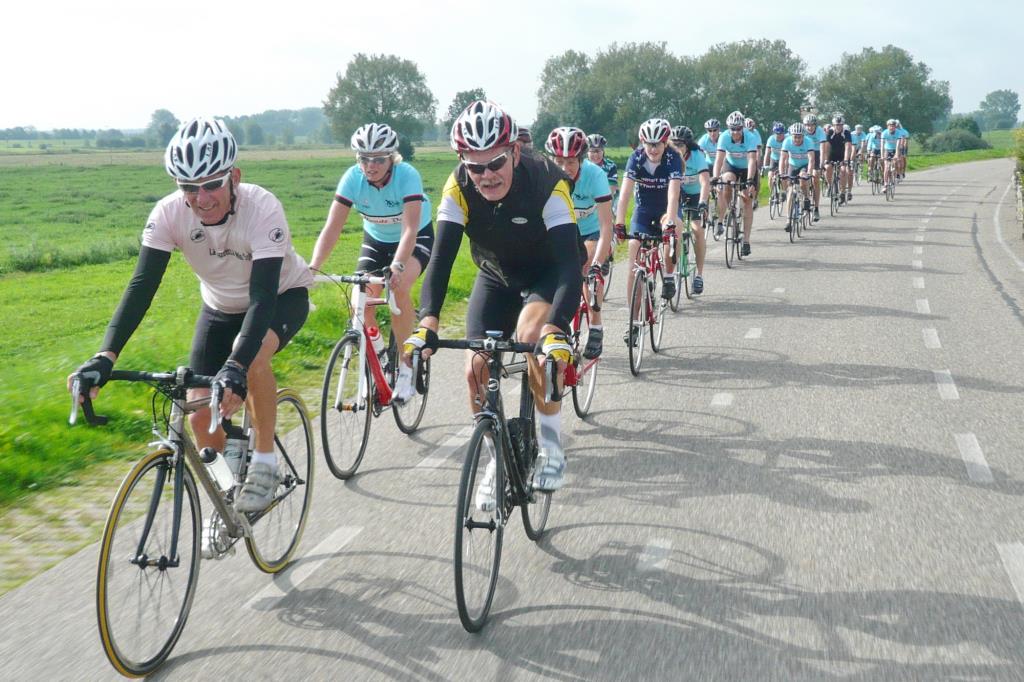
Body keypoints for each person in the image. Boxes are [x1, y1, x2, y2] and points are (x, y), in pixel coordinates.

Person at [67, 117, 313, 512]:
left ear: (235, 176)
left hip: (280, 297)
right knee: (198, 415)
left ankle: (265, 462)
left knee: (251, 360)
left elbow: (262, 294)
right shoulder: (168, 215)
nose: (201, 199)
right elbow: (141, 288)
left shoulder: (262, 207)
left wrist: (235, 364)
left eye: (212, 184)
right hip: (218, 307)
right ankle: (229, 481)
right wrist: (105, 356)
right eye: (188, 188)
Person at [403, 100, 580, 503]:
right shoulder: (458, 187)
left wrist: (556, 329)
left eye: (496, 163)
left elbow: (571, 264)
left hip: (546, 272)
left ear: (515, 151)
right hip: (495, 274)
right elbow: (441, 259)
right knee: (475, 368)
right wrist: (428, 320)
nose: (486, 175)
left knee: (533, 334)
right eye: (475, 166)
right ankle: (493, 460)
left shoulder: (547, 182)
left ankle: (551, 447)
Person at [309, 122, 433, 391]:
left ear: (391, 158)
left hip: (414, 238)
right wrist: (313, 268)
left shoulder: (407, 176)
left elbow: (410, 229)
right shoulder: (352, 179)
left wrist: (398, 266)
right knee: (360, 303)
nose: (370, 165)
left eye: (378, 159)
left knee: (398, 289)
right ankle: (378, 353)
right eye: (364, 159)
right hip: (376, 240)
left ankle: (406, 365)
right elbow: (332, 229)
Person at [546, 126, 613, 358]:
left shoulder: (596, 176)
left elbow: (606, 224)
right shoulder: (545, 175)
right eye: (559, 162)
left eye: (571, 163)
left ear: (581, 161)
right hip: (560, 232)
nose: (564, 169)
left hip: (590, 232)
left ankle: (595, 326)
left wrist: (596, 263)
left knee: (586, 270)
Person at [614, 117, 682, 333]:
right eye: (648, 144)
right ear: (642, 143)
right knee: (633, 263)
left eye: (657, 144)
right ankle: (633, 322)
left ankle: (669, 275)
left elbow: (673, 194)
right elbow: (624, 194)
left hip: (666, 209)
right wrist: (619, 223)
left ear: (665, 143)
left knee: (675, 228)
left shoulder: (674, 157)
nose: (653, 149)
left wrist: (670, 221)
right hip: (643, 212)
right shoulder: (636, 158)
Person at [712, 110, 759, 255]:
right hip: (731, 165)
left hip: (747, 169)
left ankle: (746, 241)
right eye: (733, 129)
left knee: (747, 201)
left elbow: (752, 160)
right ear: (728, 128)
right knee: (726, 182)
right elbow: (719, 159)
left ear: (743, 127)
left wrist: (750, 180)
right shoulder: (724, 137)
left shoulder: (750, 137)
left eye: (739, 129)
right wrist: (715, 177)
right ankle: (723, 216)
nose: (736, 132)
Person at [670, 125, 710, 294]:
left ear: (687, 145)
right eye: (674, 144)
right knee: (672, 228)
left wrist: (702, 202)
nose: (677, 148)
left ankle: (699, 276)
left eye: (681, 144)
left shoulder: (697, 156)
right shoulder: (669, 157)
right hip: (677, 195)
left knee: (697, 230)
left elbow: (705, 182)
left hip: (695, 196)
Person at [779, 122, 818, 232]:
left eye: (799, 137)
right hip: (793, 165)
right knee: (790, 191)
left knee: (802, 179)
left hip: (804, 166)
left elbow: (811, 160)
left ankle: (806, 198)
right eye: (795, 137)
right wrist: (782, 173)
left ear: (803, 136)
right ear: (791, 136)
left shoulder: (808, 142)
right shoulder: (787, 142)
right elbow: (783, 159)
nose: (797, 139)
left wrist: (809, 173)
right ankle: (788, 220)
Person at [802, 113, 827, 222]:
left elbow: (822, 148)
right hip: (804, 153)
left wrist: (821, 163)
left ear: (815, 125)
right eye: (807, 125)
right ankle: (804, 198)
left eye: (812, 125)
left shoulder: (820, 131)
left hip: (816, 153)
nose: (809, 127)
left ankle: (816, 208)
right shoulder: (802, 131)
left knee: (815, 177)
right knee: (802, 177)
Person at [824, 114, 854, 204]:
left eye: (840, 125)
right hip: (832, 154)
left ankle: (842, 192)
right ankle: (829, 185)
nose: (838, 127)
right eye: (836, 125)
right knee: (828, 168)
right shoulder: (830, 132)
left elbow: (848, 146)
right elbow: (827, 146)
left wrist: (845, 160)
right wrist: (826, 159)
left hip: (842, 155)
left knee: (843, 170)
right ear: (833, 125)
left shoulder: (846, 133)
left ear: (843, 125)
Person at [586, 133, 619, 210]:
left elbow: (612, 188)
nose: (596, 155)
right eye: (592, 151)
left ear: (603, 151)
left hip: (608, 197)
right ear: (587, 152)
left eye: (598, 151)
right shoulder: (582, 166)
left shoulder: (610, 165)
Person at [762, 122, 787, 203]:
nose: (778, 135)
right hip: (774, 159)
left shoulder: (787, 140)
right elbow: (767, 153)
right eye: (776, 133)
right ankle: (773, 193)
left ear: (784, 133)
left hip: (785, 159)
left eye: (780, 133)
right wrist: (765, 166)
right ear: (774, 133)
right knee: (770, 175)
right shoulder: (771, 139)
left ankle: (783, 191)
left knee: (783, 176)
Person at [881, 119, 901, 187]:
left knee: (895, 163)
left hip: (895, 149)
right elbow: (882, 145)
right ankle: (885, 184)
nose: (891, 127)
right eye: (890, 126)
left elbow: (898, 145)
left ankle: (896, 175)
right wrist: (882, 156)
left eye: (893, 126)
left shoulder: (898, 132)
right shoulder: (884, 133)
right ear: (887, 126)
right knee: (886, 167)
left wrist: (896, 155)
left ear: (895, 127)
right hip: (887, 149)